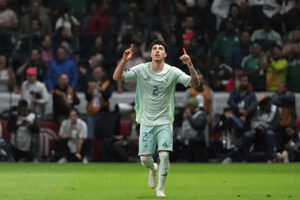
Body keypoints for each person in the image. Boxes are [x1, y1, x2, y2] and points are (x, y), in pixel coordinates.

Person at [112, 39, 200, 197]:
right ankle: (152, 168)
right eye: (154, 48)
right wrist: (124, 60)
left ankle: (160, 189)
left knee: (164, 155)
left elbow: (194, 83)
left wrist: (190, 66)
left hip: (165, 121)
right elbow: (117, 78)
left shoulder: (172, 71)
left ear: (165, 54)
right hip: (146, 121)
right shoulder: (141, 69)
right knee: (145, 160)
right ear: (151, 53)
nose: (157, 50)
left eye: (160, 48)